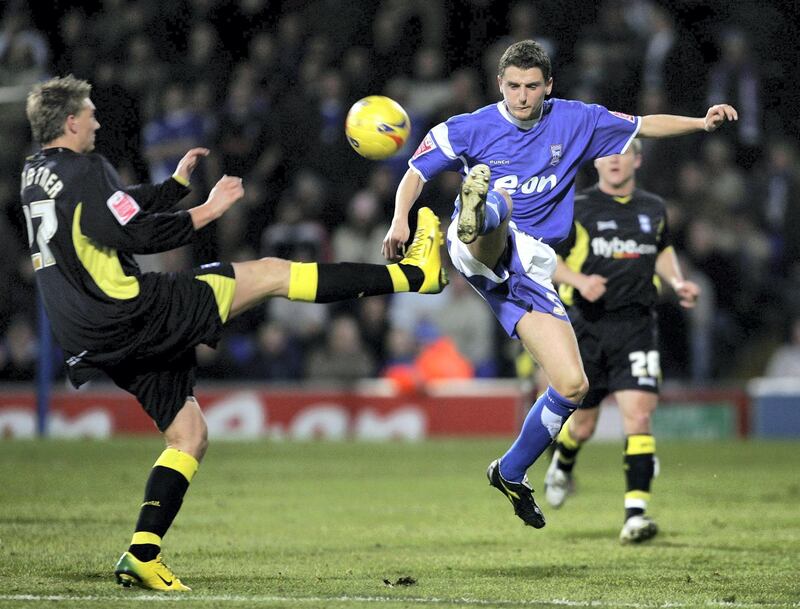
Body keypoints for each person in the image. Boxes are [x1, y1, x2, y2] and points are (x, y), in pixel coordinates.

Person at [21, 75, 448, 591]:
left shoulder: (36, 172)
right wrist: (205, 211)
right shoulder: (87, 169)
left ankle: (142, 552)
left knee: (189, 434)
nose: (97, 120)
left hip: (88, 331)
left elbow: (115, 205)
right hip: (130, 310)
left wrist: (173, 188)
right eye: (89, 113)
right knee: (269, 273)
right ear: (70, 122)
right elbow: (130, 230)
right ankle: (413, 275)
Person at [382, 39, 736, 529]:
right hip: (481, 243)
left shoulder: (576, 120)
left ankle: (510, 471)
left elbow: (642, 125)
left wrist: (700, 122)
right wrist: (400, 221)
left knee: (572, 385)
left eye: (531, 87)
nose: (522, 96)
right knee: (498, 211)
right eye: (512, 87)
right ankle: (479, 207)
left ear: (548, 87)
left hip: (531, 268)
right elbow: (414, 173)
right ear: (499, 85)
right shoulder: (468, 127)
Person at [541, 139, 700, 543]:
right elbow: (543, 257)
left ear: (637, 160)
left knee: (639, 417)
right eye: (607, 152)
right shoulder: (575, 206)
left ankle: (635, 515)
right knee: (584, 425)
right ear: (596, 161)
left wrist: (677, 281)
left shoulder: (653, 207)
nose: (614, 158)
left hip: (637, 326)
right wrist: (578, 281)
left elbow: (661, 249)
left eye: (623, 151)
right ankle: (562, 462)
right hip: (587, 327)